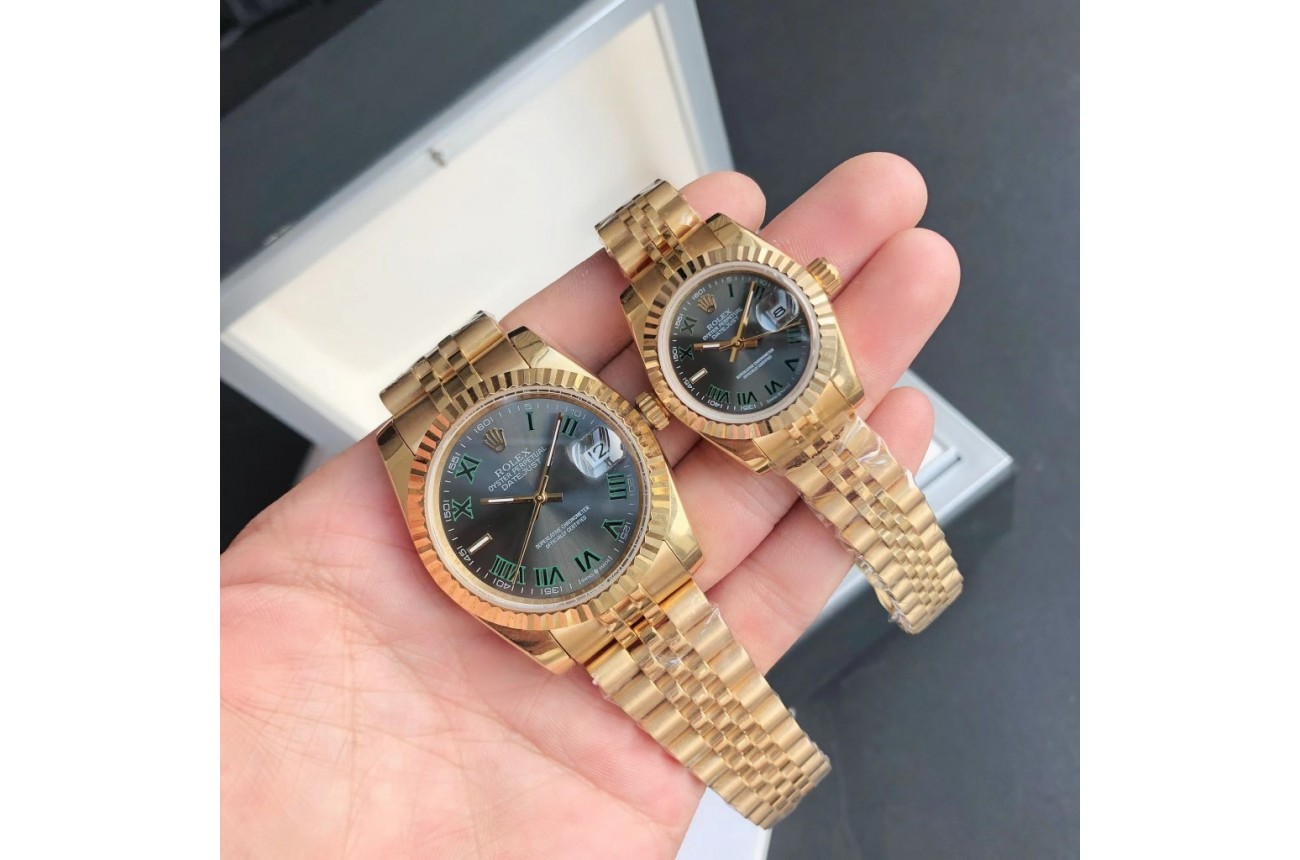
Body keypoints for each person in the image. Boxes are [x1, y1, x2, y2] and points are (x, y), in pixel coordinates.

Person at [221, 153, 961, 857]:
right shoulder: (449, 487)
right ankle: (775, 776)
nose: (541, 496)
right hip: (586, 596)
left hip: (618, 548)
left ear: (628, 419)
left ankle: (780, 770)